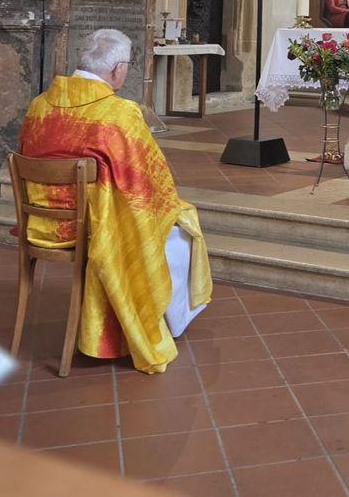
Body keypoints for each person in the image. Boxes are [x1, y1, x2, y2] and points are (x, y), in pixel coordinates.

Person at [19, 29, 213, 373]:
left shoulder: (39, 105)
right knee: (179, 227)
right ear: (117, 69)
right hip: (91, 230)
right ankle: (162, 324)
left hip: (40, 223)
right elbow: (149, 183)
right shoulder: (118, 114)